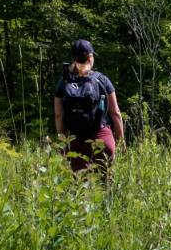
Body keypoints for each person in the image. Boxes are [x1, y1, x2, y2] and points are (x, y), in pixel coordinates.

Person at [52, 40, 124, 178]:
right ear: (90, 58)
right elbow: (115, 113)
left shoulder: (63, 82)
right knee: (106, 185)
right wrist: (121, 140)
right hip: (102, 138)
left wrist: (64, 143)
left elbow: (58, 115)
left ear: (73, 58)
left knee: (82, 188)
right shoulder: (101, 79)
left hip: (75, 142)